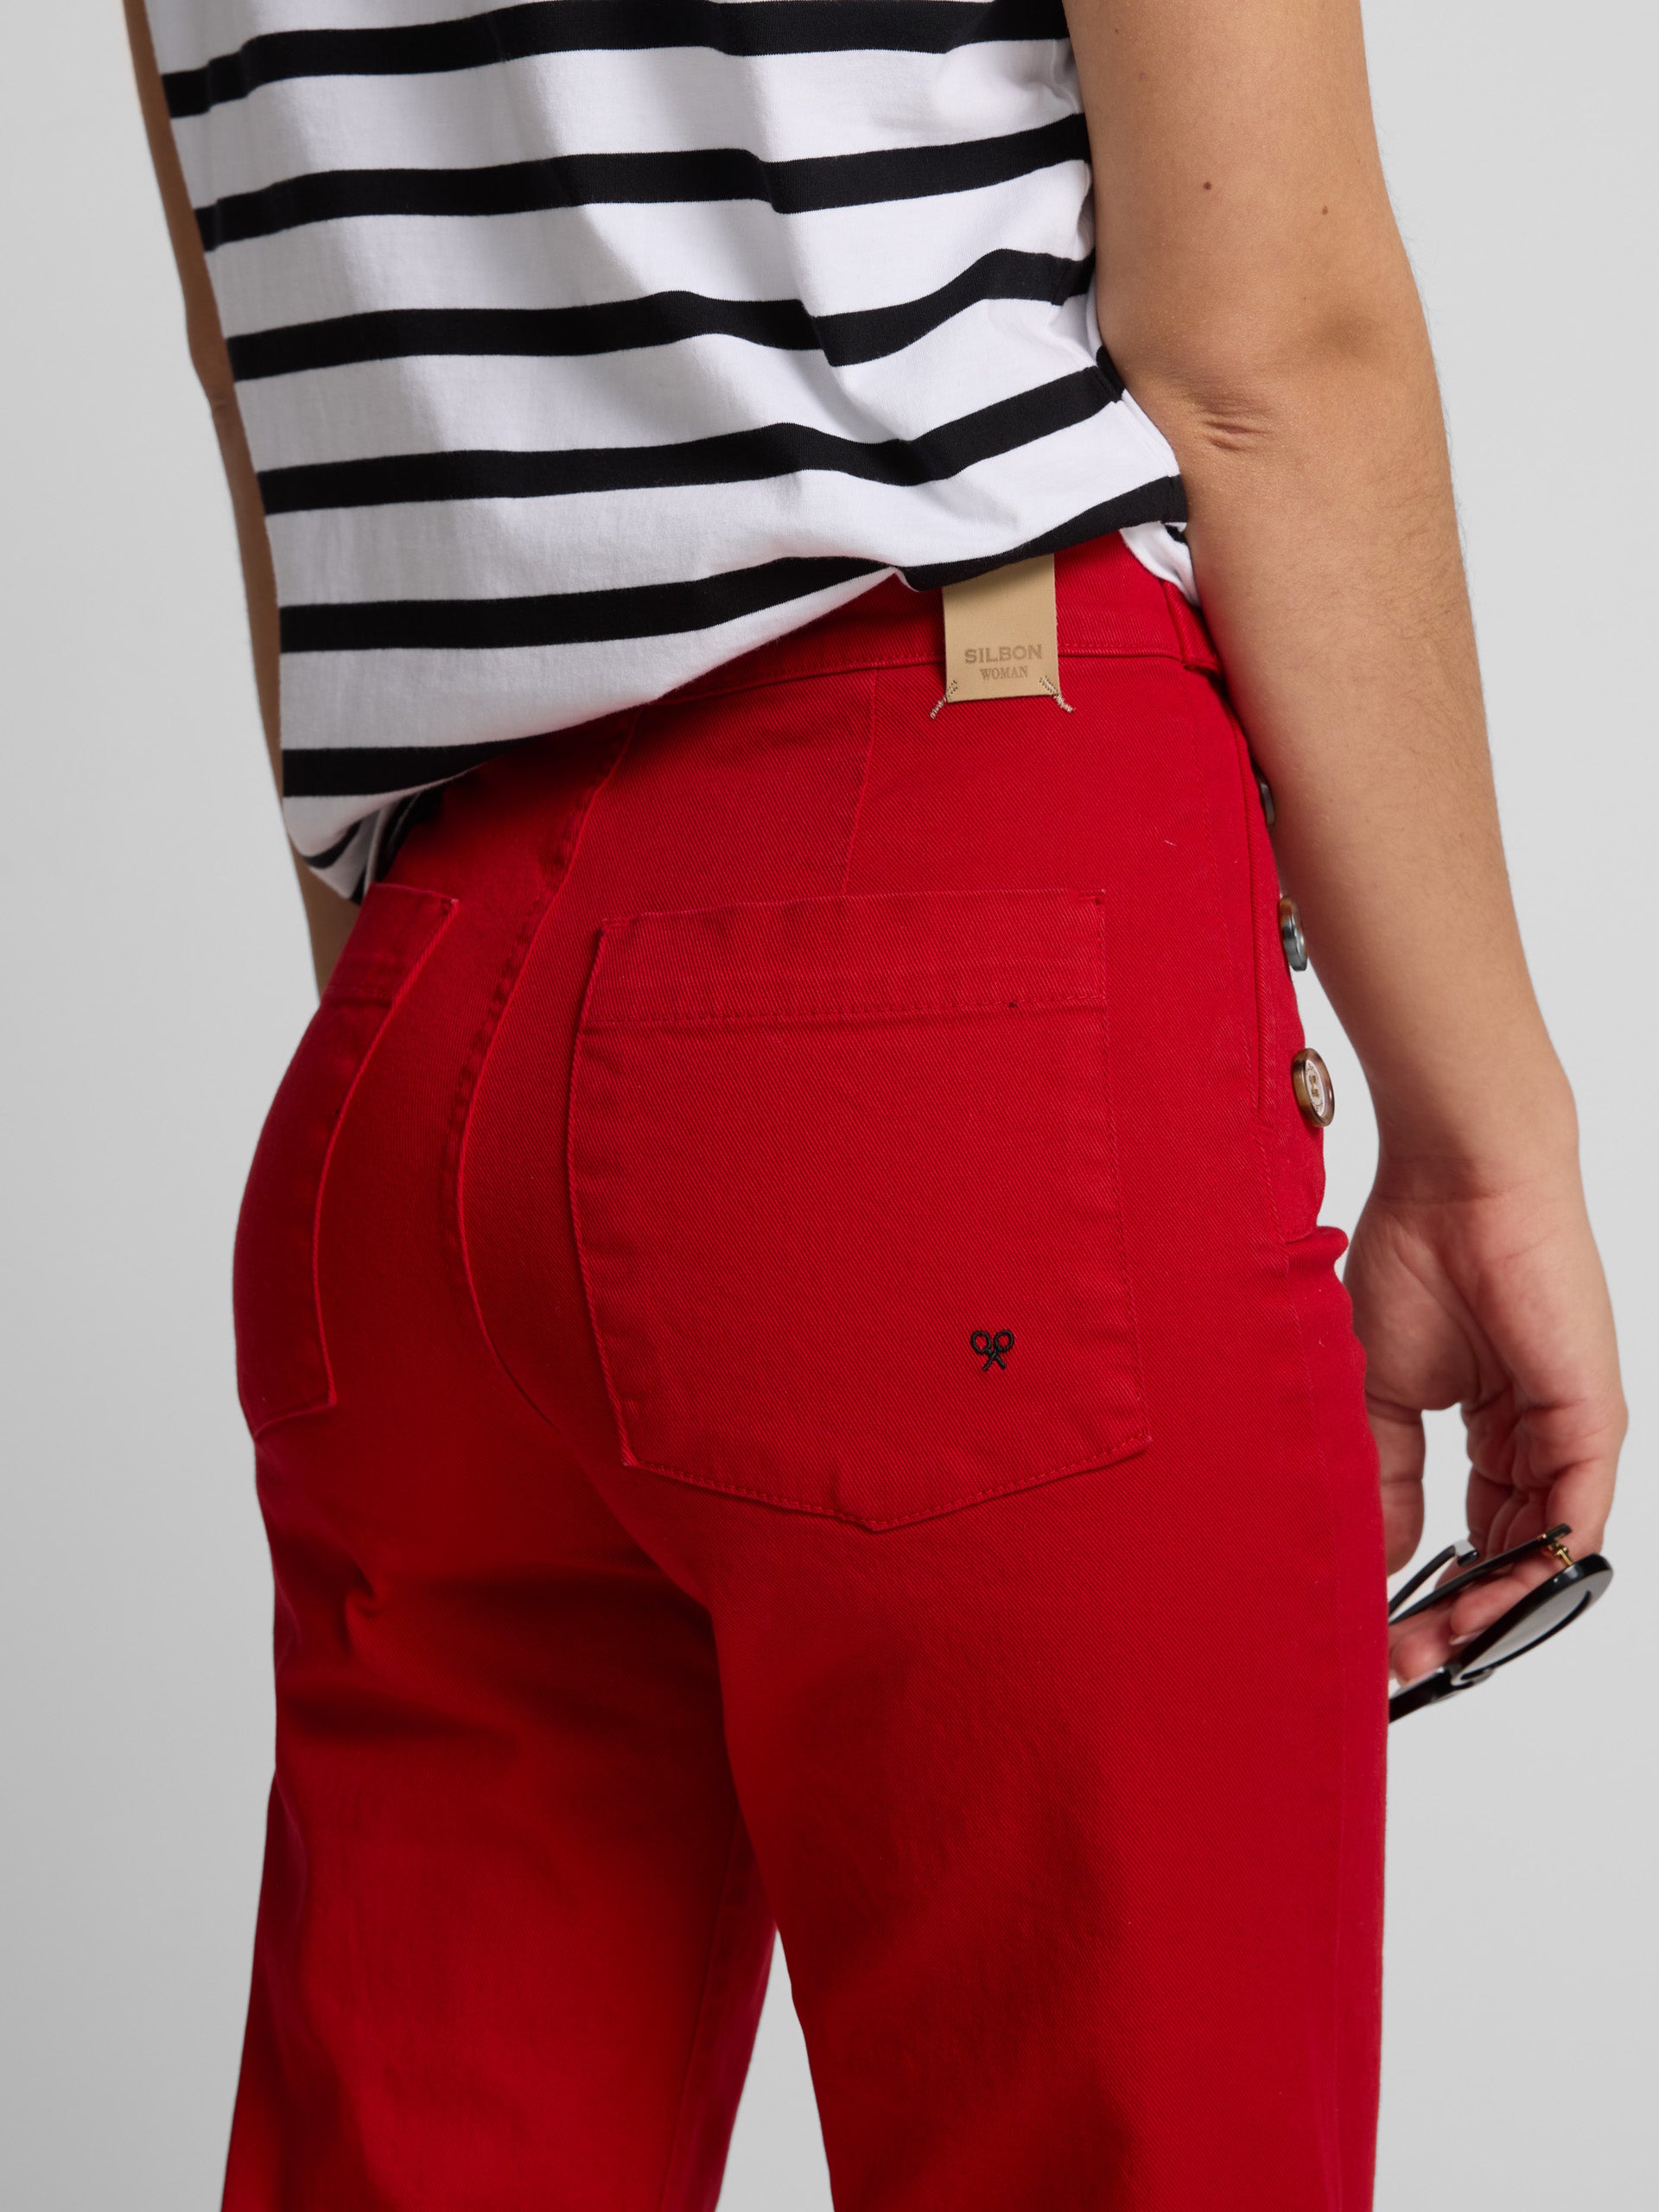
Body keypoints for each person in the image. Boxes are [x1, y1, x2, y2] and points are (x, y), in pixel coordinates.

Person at [124, 3, 1624, 2207]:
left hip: (420, 1018)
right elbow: (1263, 344)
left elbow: (268, 379)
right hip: (955, 944)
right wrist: (1490, 1146)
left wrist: (455, 1049)